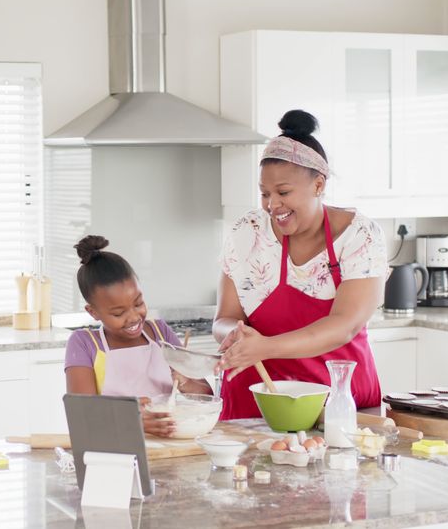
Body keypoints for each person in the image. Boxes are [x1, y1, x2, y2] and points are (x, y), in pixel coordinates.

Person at [213, 109, 386, 420]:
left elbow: (344, 326)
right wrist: (235, 335)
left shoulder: (359, 236)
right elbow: (224, 318)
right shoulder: (247, 232)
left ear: (318, 185)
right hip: (258, 404)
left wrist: (265, 347)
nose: (271, 205)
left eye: (283, 192)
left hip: (337, 406)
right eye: (264, 194)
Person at [64, 235, 212, 437]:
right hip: (115, 450)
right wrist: (132, 421)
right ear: (93, 312)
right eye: (118, 313)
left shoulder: (161, 333)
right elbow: (82, 414)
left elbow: (206, 396)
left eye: (138, 303)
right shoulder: (84, 344)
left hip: (168, 445)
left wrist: (186, 381)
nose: (134, 317)